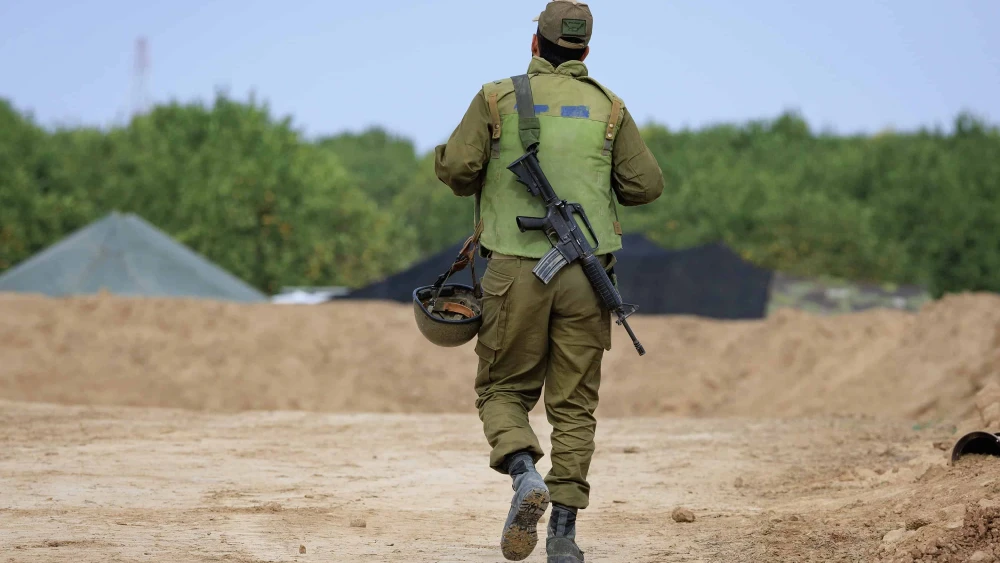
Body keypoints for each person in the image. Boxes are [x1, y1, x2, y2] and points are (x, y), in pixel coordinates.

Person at [433, 1, 664, 561]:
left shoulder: (497, 97)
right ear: (585, 51)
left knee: (501, 389)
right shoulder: (611, 106)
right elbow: (646, 185)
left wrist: (459, 157)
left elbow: (459, 170)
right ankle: (562, 534)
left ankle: (522, 475)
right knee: (575, 406)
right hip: (587, 275)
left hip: (515, 270)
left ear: (535, 45)